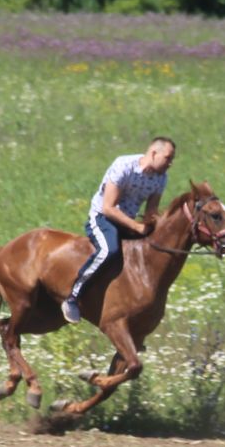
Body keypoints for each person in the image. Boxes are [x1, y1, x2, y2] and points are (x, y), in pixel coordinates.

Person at [63, 136, 176, 323]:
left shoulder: (161, 178)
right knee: (109, 251)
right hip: (102, 218)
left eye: (172, 159)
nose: (170, 163)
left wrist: (156, 226)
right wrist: (136, 226)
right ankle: (73, 296)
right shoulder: (124, 165)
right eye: (168, 158)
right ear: (154, 153)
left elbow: (151, 211)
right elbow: (108, 207)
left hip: (128, 222)